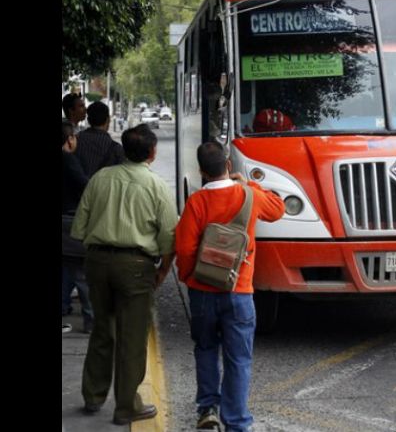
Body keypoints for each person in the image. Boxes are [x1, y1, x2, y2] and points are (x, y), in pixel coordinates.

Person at [71, 124, 178, 425]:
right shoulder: (156, 185)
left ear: (123, 150)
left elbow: (80, 228)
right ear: (152, 153)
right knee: (132, 338)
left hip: (96, 262)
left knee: (102, 329)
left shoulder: (100, 179)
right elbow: (170, 237)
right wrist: (163, 271)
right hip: (135, 266)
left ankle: (93, 396)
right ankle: (126, 405)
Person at [175, 142, 284, 432]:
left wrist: (189, 279)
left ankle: (207, 408)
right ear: (228, 165)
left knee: (206, 348)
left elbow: (185, 249)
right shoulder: (247, 195)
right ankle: (236, 421)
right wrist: (248, 183)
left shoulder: (196, 202)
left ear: (201, 170)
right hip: (239, 291)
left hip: (202, 292)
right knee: (239, 358)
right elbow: (278, 209)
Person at [62, 121, 94, 333]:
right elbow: (87, 186)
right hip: (69, 221)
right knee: (82, 275)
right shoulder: (68, 160)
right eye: (74, 136)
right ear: (69, 139)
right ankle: (91, 321)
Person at [77, 101, 125, 177]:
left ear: (88, 120)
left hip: (77, 187)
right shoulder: (116, 149)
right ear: (108, 120)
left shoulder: (74, 140)